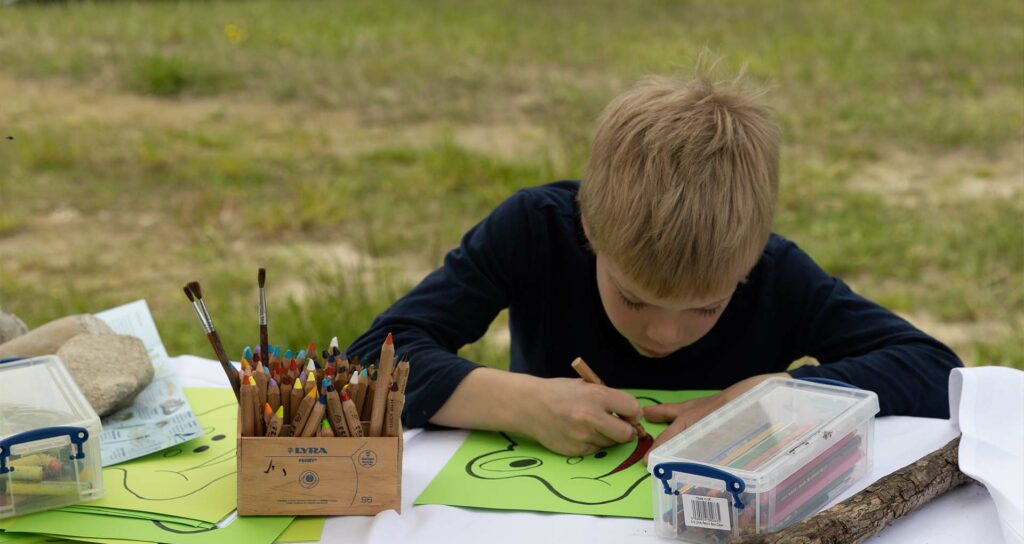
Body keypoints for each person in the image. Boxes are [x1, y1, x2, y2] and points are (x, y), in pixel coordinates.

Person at [347, 71, 962, 456]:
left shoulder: (774, 271)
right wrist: (522, 404)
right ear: (590, 228)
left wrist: (779, 394)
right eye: (634, 298)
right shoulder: (537, 230)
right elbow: (365, 362)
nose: (664, 333)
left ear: (750, 259)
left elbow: (936, 371)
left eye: (707, 307)